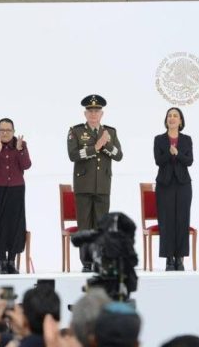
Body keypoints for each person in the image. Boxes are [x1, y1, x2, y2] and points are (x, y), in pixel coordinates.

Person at [67, 95, 123, 272]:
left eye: (96, 111)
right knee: (84, 225)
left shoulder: (110, 132)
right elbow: (73, 155)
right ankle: (86, 262)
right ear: (85, 113)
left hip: (103, 185)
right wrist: (95, 147)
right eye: (90, 111)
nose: (93, 114)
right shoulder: (75, 131)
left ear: (102, 113)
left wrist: (105, 144)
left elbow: (119, 155)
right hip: (83, 185)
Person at [0, 118, 31, 274]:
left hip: (16, 189)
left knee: (14, 226)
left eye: (8, 130)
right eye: (1, 130)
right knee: (0, 226)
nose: (5, 133)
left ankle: (11, 261)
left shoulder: (21, 145)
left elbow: (26, 165)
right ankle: (2, 262)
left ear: (14, 132)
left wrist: (21, 150)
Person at [154, 107, 193, 271]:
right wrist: (170, 154)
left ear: (180, 121)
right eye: (169, 115)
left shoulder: (186, 139)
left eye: (175, 116)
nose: (172, 118)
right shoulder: (159, 139)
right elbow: (158, 161)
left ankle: (180, 259)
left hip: (183, 184)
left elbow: (189, 161)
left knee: (182, 220)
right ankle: (169, 259)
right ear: (166, 120)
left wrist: (177, 154)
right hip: (165, 184)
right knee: (167, 221)